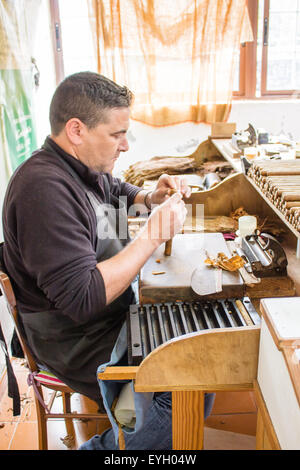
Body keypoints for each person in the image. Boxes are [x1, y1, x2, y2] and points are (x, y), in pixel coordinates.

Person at [2, 72, 214, 449]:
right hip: (76, 337)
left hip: (109, 316)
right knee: (184, 391)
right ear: (77, 130)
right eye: (117, 134)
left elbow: (114, 191)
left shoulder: (81, 167)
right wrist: (153, 233)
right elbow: (82, 298)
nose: (126, 145)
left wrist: (151, 197)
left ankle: (139, 425)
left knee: (198, 369)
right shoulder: (43, 191)